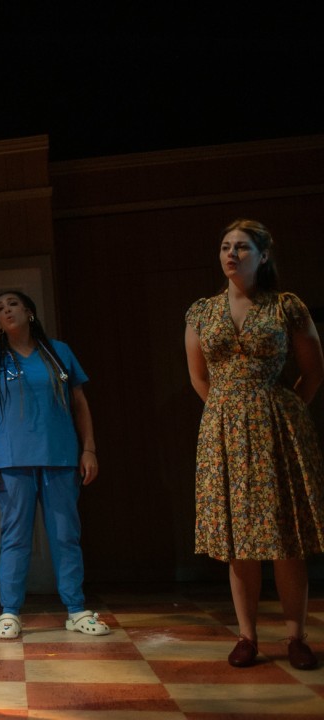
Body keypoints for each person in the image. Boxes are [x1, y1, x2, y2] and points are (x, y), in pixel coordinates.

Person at [184, 219, 324, 670]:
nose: (231, 254)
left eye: (242, 247)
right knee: (238, 539)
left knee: (286, 538)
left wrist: (281, 412)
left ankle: (295, 637)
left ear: (263, 256)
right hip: (224, 430)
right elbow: (199, 377)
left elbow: (313, 372)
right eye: (225, 246)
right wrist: (229, 412)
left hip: (278, 429)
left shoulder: (285, 306)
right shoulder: (202, 312)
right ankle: (247, 636)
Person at [0, 291, 107, 640]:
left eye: (13, 304)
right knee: (15, 538)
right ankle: (10, 612)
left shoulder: (58, 352)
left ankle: (76, 610)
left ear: (30, 312)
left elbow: (79, 403)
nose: (7, 310)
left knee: (66, 536)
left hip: (60, 456)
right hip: (11, 460)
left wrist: (89, 449)